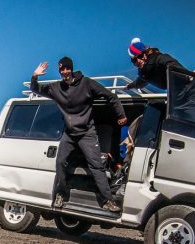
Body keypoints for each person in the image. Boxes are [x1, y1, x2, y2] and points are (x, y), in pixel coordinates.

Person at [31, 57, 127, 213]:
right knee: (60, 162)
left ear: (71, 69)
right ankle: (61, 195)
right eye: (61, 69)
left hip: (87, 133)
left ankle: (107, 201)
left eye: (67, 69)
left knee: (96, 166)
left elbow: (111, 96)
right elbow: (36, 89)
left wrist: (121, 115)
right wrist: (35, 76)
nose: (64, 72)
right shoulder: (56, 88)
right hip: (69, 134)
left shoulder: (87, 84)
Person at [125, 37, 195, 125]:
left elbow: (175, 67)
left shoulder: (160, 59)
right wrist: (129, 86)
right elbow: (139, 82)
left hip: (192, 99)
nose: (138, 61)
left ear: (146, 53)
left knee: (193, 132)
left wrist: (190, 75)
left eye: (140, 56)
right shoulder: (145, 73)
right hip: (177, 102)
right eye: (134, 60)